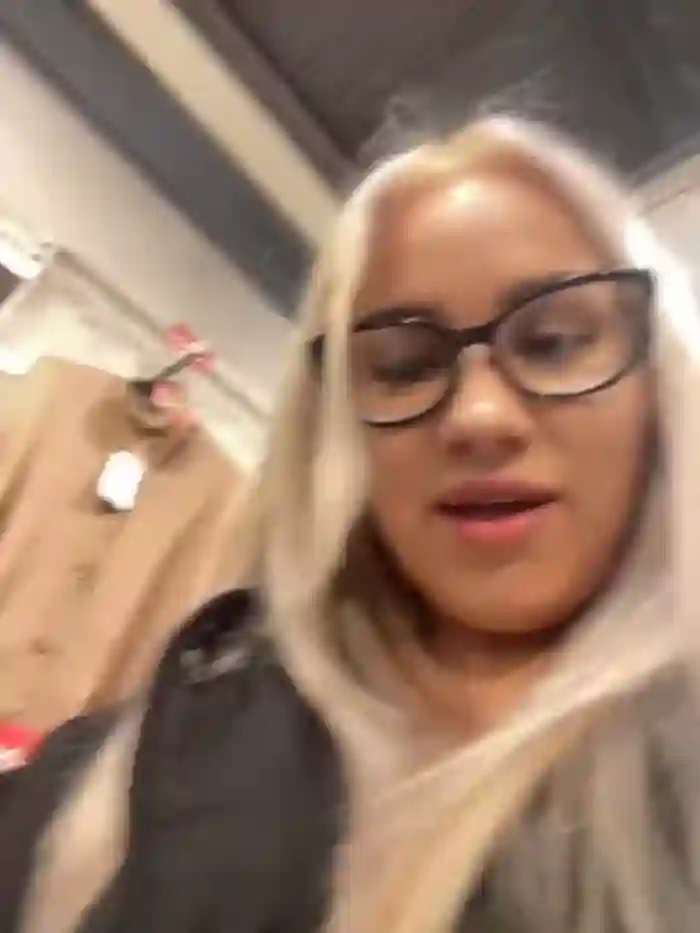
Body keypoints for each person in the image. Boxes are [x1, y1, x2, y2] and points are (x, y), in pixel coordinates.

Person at [5, 115, 700, 933]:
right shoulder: (142, 758)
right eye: (404, 367)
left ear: (658, 386)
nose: (478, 416)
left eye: (552, 343)